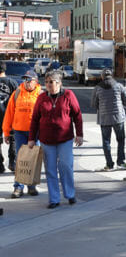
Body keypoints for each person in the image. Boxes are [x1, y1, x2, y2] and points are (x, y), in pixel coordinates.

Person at [28, 71, 83, 209]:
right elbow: (35, 119)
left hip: (65, 138)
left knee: (66, 166)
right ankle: (54, 199)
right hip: (46, 140)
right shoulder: (41, 98)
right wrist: (31, 139)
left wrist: (79, 134)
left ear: (59, 83)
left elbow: (77, 115)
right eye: (46, 82)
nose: (48, 85)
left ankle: (70, 194)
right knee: (50, 170)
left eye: (51, 82)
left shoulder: (68, 95)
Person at [2, 70, 41, 198]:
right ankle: (18, 188)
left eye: (29, 80)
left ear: (36, 81)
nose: (27, 82)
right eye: (25, 79)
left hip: (35, 133)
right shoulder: (17, 93)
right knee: (21, 160)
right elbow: (9, 114)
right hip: (19, 132)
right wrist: (6, 132)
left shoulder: (41, 95)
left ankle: (31, 186)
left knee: (33, 160)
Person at [91, 68, 126, 171]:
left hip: (104, 118)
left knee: (106, 141)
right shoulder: (119, 86)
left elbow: (94, 104)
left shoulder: (97, 88)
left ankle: (109, 164)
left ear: (102, 77)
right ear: (112, 75)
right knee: (121, 140)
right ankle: (121, 161)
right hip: (118, 117)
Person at [0, 63, 19, 174]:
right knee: (12, 138)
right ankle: (12, 162)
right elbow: (18, 99)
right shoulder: (12, 82)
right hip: (10, 114)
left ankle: (0, 165)